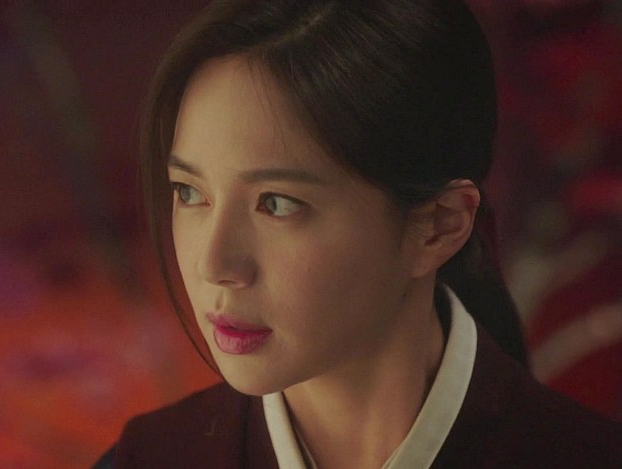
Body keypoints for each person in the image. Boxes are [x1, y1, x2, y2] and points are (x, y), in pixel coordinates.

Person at [95, 0, 622, 467]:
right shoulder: (149, 458)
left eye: (276, 204)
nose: (213, 264)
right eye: (189, 193)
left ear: (440, 226)